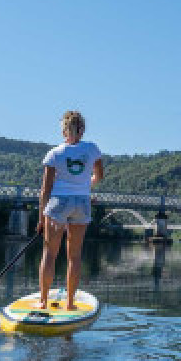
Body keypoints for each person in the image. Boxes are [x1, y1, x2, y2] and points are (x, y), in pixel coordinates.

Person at [36, 110, 104, 311]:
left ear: (63, 131)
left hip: (58, 203)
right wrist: (85, 186)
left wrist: (41, 218)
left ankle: (43, 302)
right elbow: (98, 176)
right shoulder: (92, 149)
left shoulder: (54, 153)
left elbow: (45, 191)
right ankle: (71, 303)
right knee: (74, 256)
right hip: (82, 203)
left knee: (49, 253)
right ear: (82, 130)